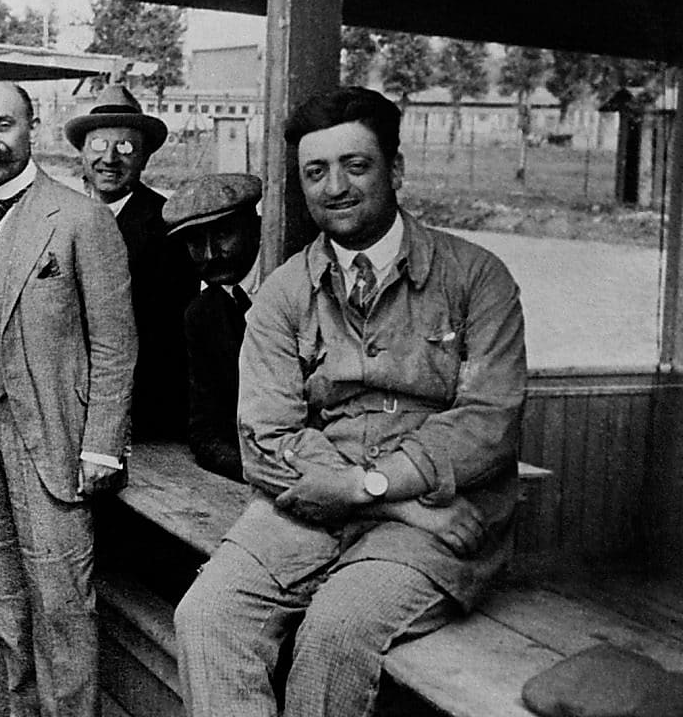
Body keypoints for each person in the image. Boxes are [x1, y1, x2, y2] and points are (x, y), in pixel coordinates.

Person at [173, 86, 527, 717]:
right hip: (330, 506)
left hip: (445, 512)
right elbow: (266, 441)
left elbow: (487, 424)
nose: (334, 186)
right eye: (316, 171)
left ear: (395, 170)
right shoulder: (284, 294)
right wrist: (391, 502)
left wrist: (377, 492)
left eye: (355, 165)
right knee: (207, 615)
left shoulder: (478, 278)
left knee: (335, 634)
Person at [0, 81, 136, 717]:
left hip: (53, 439)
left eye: (3, 126)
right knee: (4, 596)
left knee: (61, 601)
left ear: (32, 128)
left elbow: (117, 347)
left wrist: (101, 446)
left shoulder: (81, 220)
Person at [64, 84, 196, 441]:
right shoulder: (62, 217)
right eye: (98, 146)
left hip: (138, 417)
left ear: (145, 158)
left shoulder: (167, 227)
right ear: (81, 154)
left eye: (125, 148)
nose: (109, 159)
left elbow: (163, 345)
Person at [161, 173, 263, 482]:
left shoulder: (295, 290)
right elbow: (205, 430)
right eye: (195, 242)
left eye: (222, 235)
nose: (208, 254)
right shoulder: (202, 313)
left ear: (256, 227)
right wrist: (253, 472)